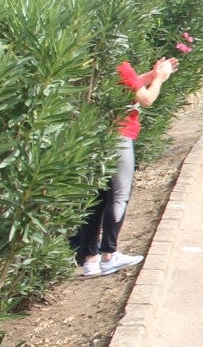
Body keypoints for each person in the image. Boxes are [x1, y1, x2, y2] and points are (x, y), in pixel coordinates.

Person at [72, 56, 177, 277]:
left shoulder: (96, 60)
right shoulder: (119, 64)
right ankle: (109, 255)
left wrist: (150, 76)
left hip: (96, 135)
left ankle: (90, 259)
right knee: (119, 196)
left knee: (96, 198)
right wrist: (160, 78)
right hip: (119, 136)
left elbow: (127, 87)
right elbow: (146, 99)